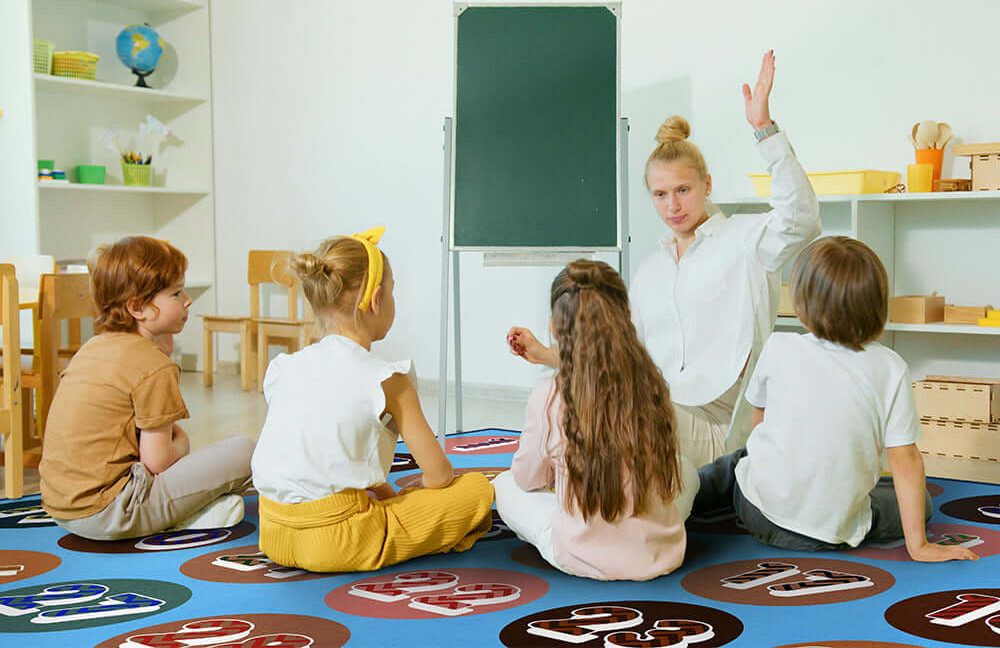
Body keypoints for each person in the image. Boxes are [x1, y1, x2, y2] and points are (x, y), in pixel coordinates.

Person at [509, 51, 821, 467]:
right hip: (655, 414)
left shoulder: (746, 241)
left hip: (718, 429)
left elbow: (802, 219)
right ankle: (564, 488)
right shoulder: (650, 271)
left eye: (683, 190)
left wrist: (764, 129)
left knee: (608, 404)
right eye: (660, 194)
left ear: (707, 184)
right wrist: (550, 356)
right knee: (569, 395)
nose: (672, 205)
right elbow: (622, 353)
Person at [693, 236, 978, 562]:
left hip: (758, 512)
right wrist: (920, 546)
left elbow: (759, 421)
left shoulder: (779, 346)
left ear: (801, 305)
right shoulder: (890, 368)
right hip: (833, 531)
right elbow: (905, 460)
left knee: (739, 462)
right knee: (920, 500)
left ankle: (677, 498)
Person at [251, 227, 494, 572]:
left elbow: (322, 450)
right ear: (376, 300)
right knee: (476, 489)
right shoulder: (389, 379)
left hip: (273, 533)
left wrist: (385, 493)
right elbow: (439, 474)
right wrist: (419, 495)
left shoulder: (283, 367)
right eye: (393, 291)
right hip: (340, 542)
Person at [495, 260, 700, 581]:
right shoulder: (652, 382)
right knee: (686, 469)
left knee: (505, 484)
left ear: (554, 329)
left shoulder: (548, 396)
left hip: (580, 557)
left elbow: (527, 478)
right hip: (661, 554)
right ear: (628, 317)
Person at [40, 236, 253, 540]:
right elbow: (157, 462)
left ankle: (190, 513)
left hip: (60, 508)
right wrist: (183, 441)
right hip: (111, 513)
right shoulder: (153, 365)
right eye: (176, 293)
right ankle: (184, 516)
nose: (187, 300)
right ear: (138, 307)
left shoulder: (92, 348)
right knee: (245, 450)